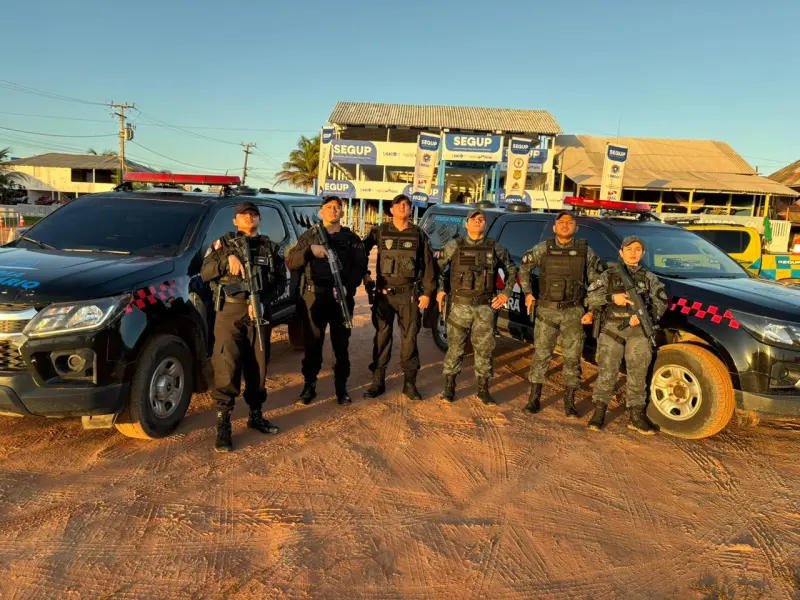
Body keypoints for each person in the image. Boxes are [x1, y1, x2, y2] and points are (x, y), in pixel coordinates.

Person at [201, 201, 286, 453]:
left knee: (258, 365)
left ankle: (255, 415)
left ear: (259, 219)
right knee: (226, 365)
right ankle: (224, 424)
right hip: (230, 312)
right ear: (235, 221)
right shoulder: (222, 245)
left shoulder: (270, 248)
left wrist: (261, 301)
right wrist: (226, 261)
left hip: (258, 312)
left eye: (254, 214)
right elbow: (205, 273)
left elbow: (280, 283)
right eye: (244, 214)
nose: (249, 217)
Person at [519, 210, 603, 417]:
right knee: (541, 355)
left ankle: (569, 402)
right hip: (546, 310)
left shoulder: (585, 252)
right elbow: (524, 268)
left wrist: (592, 310)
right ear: (554, 227)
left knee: (572, 358)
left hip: (573, 311)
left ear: (576, 227)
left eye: (570, 222)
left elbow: (597, 283)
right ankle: (534, 399)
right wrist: (528, 293)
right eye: (561, 222)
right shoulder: (543, 248)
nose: (565, 225)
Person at [287, 195, 367, 406]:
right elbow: (292, 261)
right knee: (312, 344)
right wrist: (309, 251)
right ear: (321, 211)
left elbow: (360, 266)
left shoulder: (351, 238)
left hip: (341, 298)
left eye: (337, 207)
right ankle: (309, 386)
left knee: (341, 345)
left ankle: (341, 388)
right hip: (314, 296)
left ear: (342, 212)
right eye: (329, 207)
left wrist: (347, 287)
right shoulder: (309, 236)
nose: (333, 210)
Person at [586, 235, 668, 434]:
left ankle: (636, 416)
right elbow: (591, 297)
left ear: (643, 253)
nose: (633, 253)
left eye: (637, 250)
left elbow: (661, 302)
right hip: (612, 330)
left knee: (638, 375)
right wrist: (612, 298)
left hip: (638, 333)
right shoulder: (609, 275)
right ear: (621, 253)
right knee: (607, 372)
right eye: (629, 249)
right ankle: (599, 412)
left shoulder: (649, 278)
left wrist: (644, 317)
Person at [436, 208, 517, 405]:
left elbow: (512, 269)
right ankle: (449, 388)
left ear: (485, 224)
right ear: (466, 224)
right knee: (455, 348)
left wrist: (505, 293)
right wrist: (440, 289)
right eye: (473, 219)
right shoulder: (454, 246)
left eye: (481, 219)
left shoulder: (494, 248)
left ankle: (483, 390)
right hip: (459, 306)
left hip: (484, 308)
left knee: (484, 350)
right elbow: (436, 267)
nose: (477, 221)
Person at [362, 194, 437, 400]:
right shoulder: (380, 231)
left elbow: (429, 265)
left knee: (409, 340)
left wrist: (427, 293)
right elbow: (360, 251)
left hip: (409, 295)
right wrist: (365, 275)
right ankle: (377, 382)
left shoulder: (418, 234)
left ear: (410, 210)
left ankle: (409, 384)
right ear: (391, 210)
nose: (404, 207)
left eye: (407, 205)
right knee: (382, 338)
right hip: (384, 295)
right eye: (399, 204)